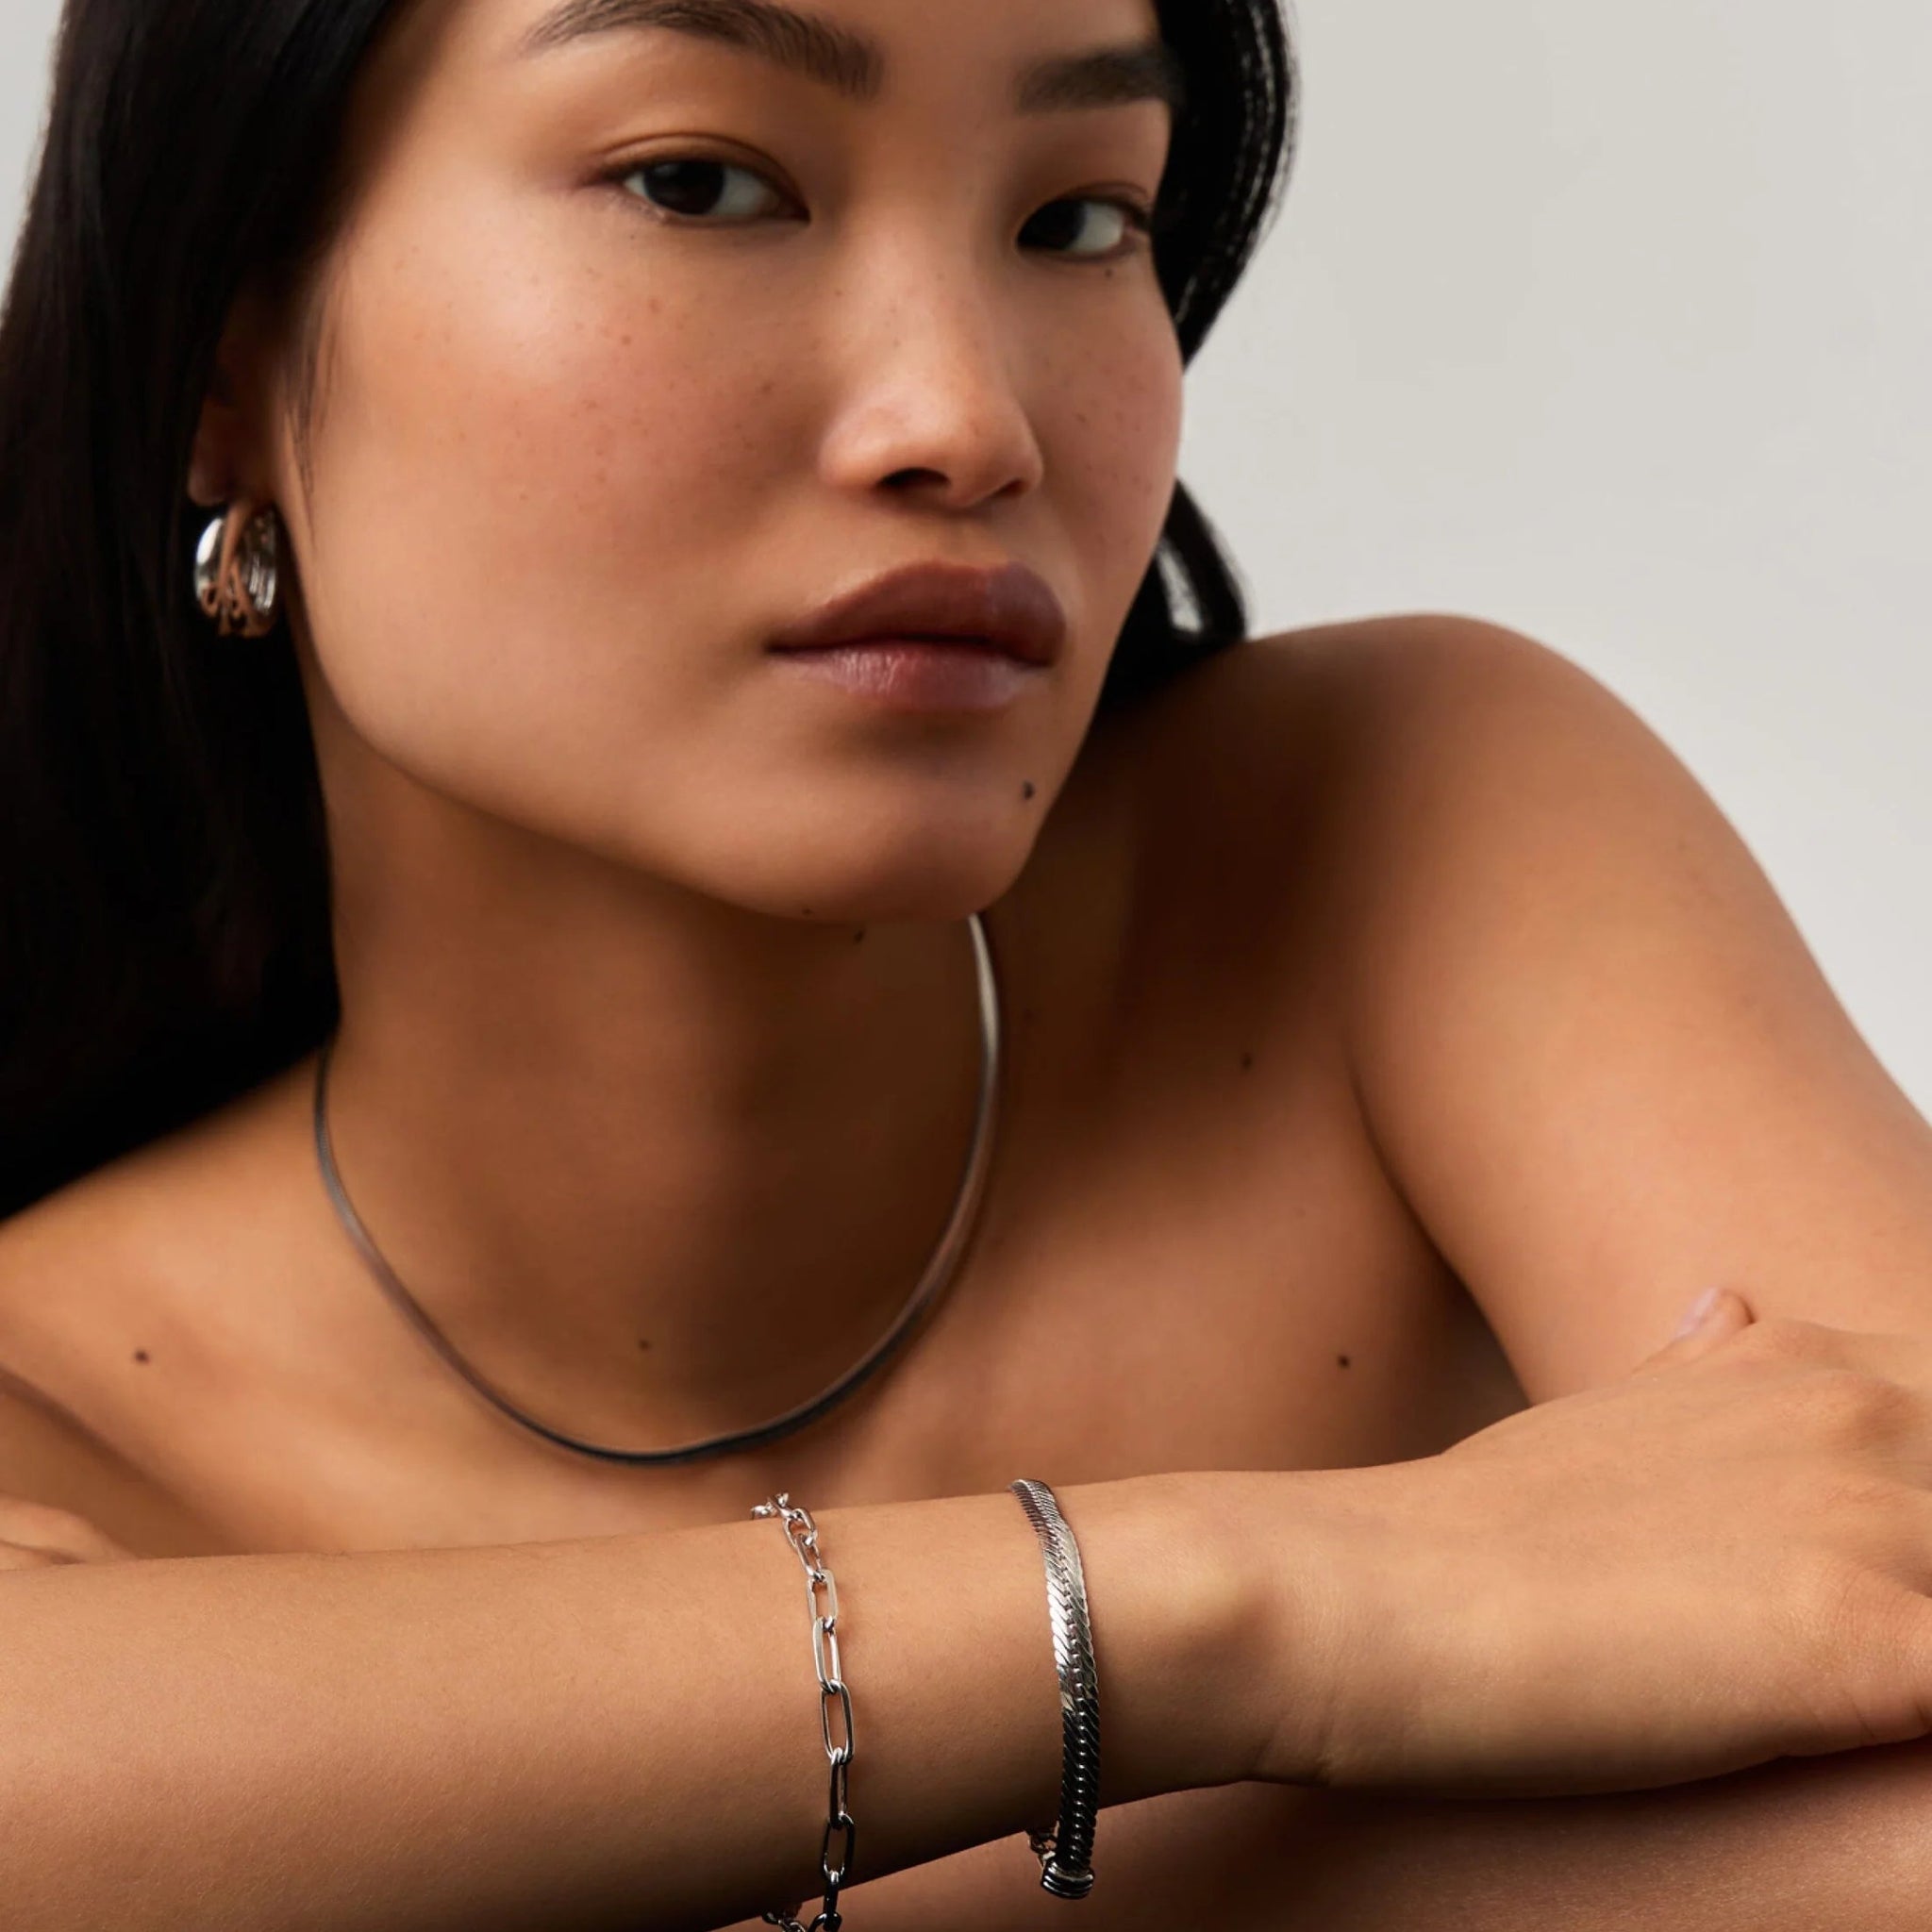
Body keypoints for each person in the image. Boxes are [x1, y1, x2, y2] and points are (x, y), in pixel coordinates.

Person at [5, 0, 1932, 1924]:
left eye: (1079, 217)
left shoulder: (1385, 840)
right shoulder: (51, 1398)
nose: (964, 420)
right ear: (223, 358)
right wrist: (1274, 1609)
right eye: (700, 183)